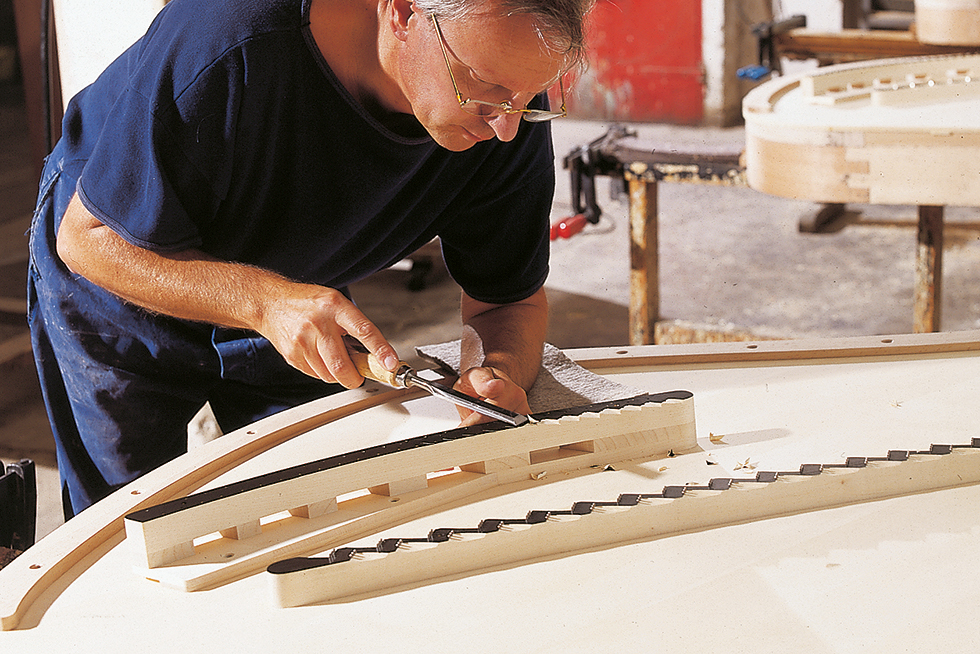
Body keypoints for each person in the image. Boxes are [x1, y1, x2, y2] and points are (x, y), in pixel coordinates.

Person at [27, 0, 594, 518]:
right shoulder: (232, 37)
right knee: (139, 529)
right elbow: (87, 240)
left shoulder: (505, 114)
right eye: (486, 88)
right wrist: (264, 303)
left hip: (295, 285)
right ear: (402, 12)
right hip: (124, 256)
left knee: (332, 508)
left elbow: (507, 300)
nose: (507, 126)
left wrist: (496, 373)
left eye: (531, 98)